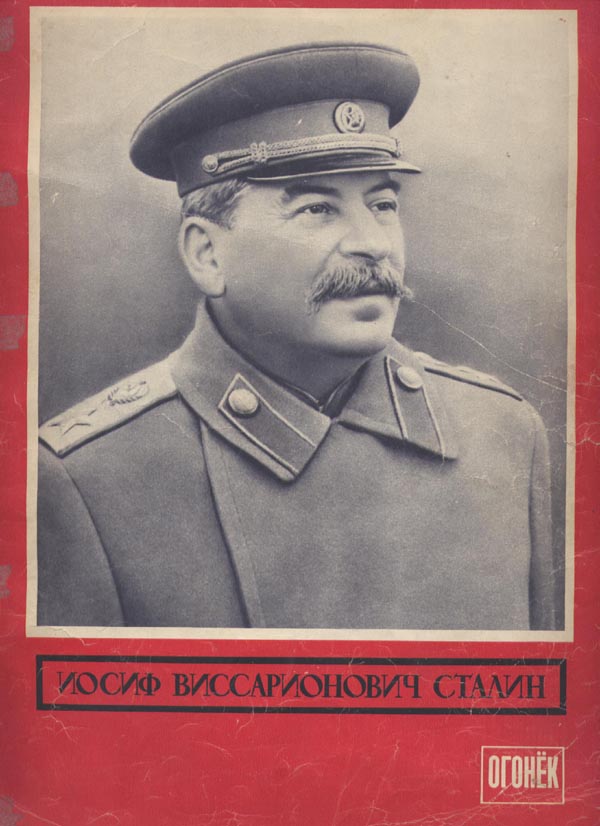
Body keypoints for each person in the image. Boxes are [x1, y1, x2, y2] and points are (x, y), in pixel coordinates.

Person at [37, 42, 557, 630]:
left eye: (383, 204)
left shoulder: (503, 436)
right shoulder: (89, 479)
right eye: (317, 209)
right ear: (207, 253)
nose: (373, 244)